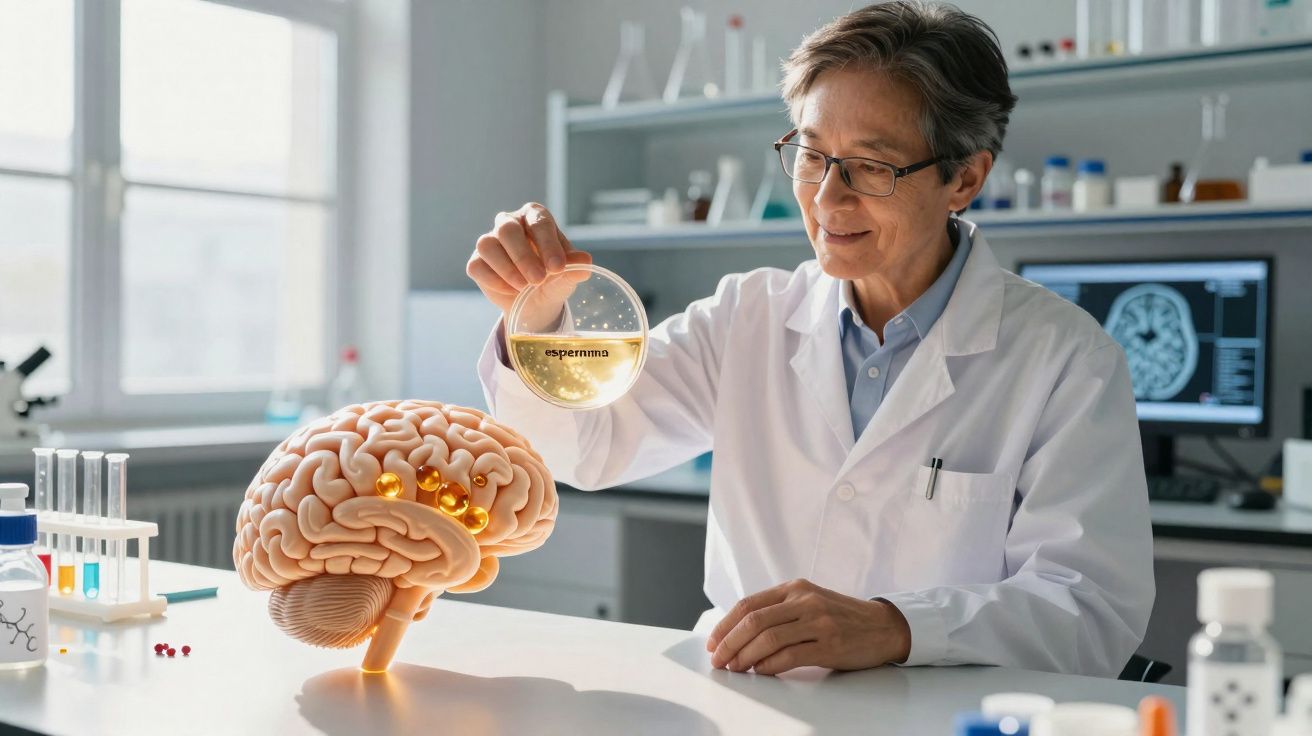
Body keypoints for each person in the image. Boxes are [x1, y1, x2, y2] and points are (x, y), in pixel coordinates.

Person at [467, 0, 1153, 678]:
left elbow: (1088, 609)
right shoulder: (747, 316)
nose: (827, 199)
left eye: (872, 166)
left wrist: (896, 626)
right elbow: (587, 448)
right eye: (810, 155)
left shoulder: (1066, 361)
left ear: (965, 178)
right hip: (747, 705)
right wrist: (542, 319)